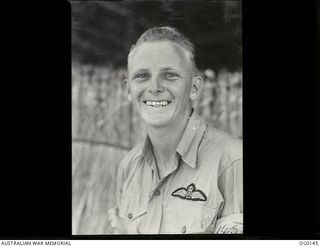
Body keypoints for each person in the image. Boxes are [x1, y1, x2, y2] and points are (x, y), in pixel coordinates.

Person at [108, 26, 242, 234]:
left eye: (169, 75)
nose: (154, 87)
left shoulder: (233, 162)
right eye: (142, 76)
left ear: (194, 88)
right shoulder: (128, 167)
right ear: (128, 89)